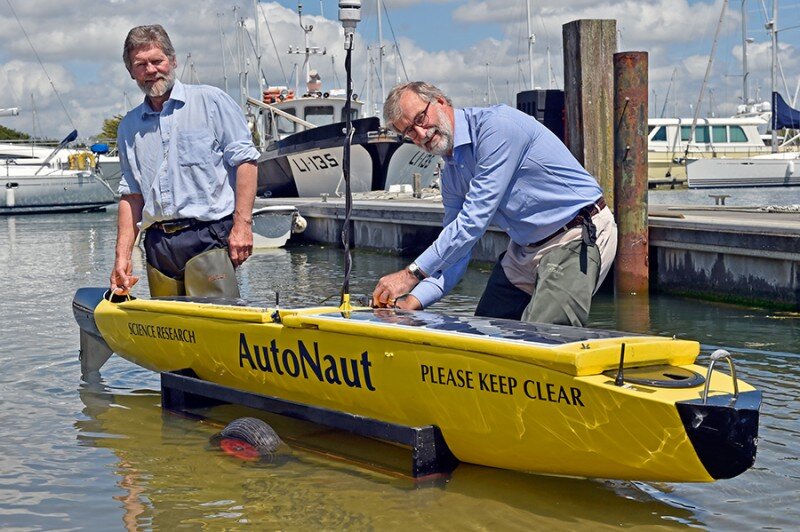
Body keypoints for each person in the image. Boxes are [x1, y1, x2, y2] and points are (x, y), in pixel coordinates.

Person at [372, 81, 617, 327]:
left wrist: (410, 275)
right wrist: (412, 301)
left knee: (543, 338)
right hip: (524, 250)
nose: (422, 133)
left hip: (575, 233)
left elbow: (472, 223)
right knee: (484, 336)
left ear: (441, 102)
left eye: (421, 118)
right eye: (410, 132)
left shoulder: (497, 127)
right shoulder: (451, 175)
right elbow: (457, 247)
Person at [110, 25, 260, 299]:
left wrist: (243, 226)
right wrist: (122, 257)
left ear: (173, 60)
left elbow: (246, 162)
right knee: (170, 332)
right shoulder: (129, 126)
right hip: (158, 244)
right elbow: (131, 195)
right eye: (140, 64)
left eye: (157, 61)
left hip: (207, 236)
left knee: (217, 325)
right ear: (131, 72)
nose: (151, 70)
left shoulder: (211, 101)